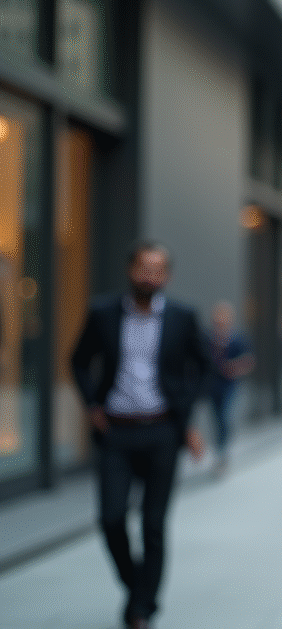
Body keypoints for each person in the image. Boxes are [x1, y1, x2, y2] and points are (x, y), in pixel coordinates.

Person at [70, 241, 211, 629]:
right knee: (111, 519)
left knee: (153, 525)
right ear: (130, 270)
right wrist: (92, 406)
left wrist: (186, 415)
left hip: (163, 431)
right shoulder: (103, 313)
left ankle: (140, 610)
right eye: (143, 267)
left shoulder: (183, 317)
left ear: (167, 276)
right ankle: (139, 589)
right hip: (116, 432)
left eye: (158, 269)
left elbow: (204, 365)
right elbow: (78, 361)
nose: (150, 275)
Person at [207, 301, 254, 478]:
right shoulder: (209, 339)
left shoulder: (238, 339)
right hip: (213, 386)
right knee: (217, 418)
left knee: (225, 417)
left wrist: (234, 367)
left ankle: (222, 452)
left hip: (230, 386)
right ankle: (220, 450)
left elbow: (249, 361)